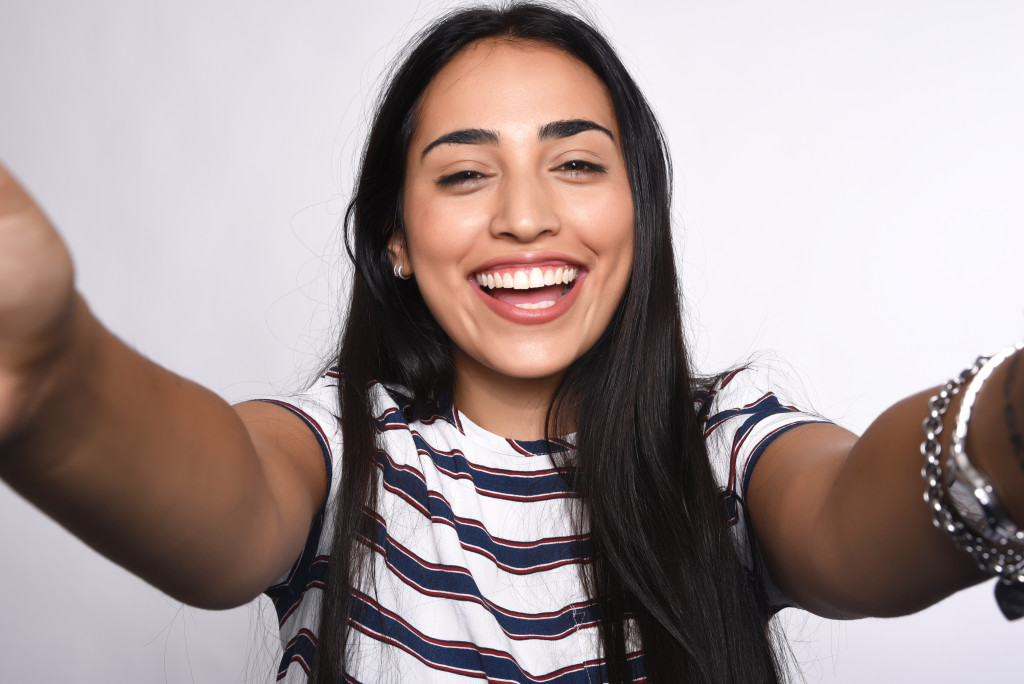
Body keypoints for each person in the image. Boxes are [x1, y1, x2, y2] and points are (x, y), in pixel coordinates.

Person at [0, 2, 1021, 682]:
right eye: (461, 174)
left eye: (575, 165)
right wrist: (51, 376)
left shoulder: (720, 446)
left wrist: (1008, 434)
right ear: (394, 239)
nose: (526, 218)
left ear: (639, 210)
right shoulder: (344, 452)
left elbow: (851, 514)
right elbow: (223, 506)